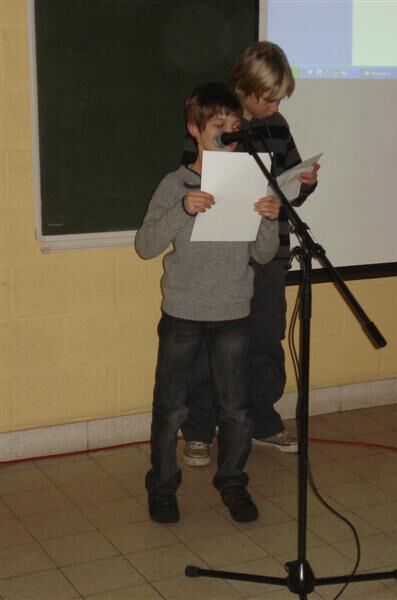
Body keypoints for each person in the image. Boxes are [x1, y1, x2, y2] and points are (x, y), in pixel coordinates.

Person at [135, 82, 280, 524]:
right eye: (219, 124)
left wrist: (268, 219)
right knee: (172, 408)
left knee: (236, 410)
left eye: (235, 124)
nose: (229, 132)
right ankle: (163, 487)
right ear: (195, 129)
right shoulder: (175, 183)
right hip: (184, 313)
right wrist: (183, 209)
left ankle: (233, 482)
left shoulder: (251, 181)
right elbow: (145, 245)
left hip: (234, 311)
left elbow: (263, 254)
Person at [181, 41, 320, 467]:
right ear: (243, 87)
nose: (274, 107)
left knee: (265, 339)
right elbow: (189, 179)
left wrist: (304, 183)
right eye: (267, 98)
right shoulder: (216, 121)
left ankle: (262, 420)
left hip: (269, 252)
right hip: (222, 257)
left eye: (278, 99)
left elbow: (289, 187)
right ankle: (200, 430)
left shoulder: (277, 125)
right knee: (211, 345)